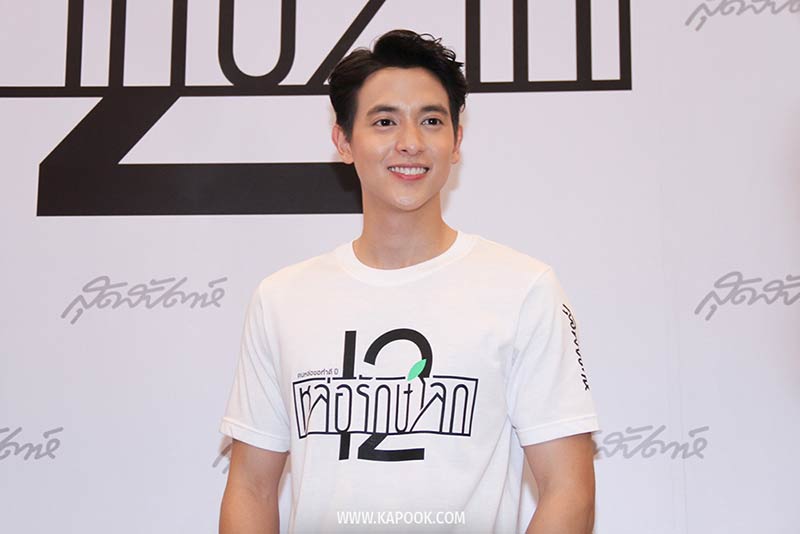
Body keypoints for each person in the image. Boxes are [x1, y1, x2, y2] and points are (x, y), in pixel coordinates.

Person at [219, 29, 599, 533]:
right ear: (343, 141)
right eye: (384, 121)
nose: (411, 143)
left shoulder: (523, 289)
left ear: (456, 141)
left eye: (431, 121)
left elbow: (569, 490)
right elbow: (251, 487)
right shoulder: (282, 299)